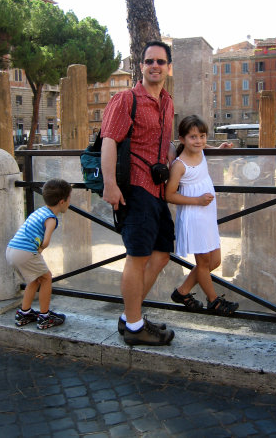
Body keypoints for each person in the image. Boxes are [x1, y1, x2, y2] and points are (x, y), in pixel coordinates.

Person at [101, 40, 175, 346]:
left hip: (158, 190)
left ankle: (130, 316)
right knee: (137, 257)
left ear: (168, 68)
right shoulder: (126, 99)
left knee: (161, 254)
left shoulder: (168, 103)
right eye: (149, 61)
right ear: (141, 66)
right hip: (134, 188)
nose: (154, 66)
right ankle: (134, 326)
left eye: (160, 61)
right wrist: (110, 184)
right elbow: (109, 141)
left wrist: (203, 148)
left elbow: (167, 145)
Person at [165, 115, 239, 315]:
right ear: (182, 139)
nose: (198, 141)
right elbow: (169, 195)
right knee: (204, 263)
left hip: (206, 214)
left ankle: (182, 292)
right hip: (194, 216)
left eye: (202, 136)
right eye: (193, 137)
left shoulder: (201, 151)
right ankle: (214, 301)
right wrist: (197, 201)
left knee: (215, 261)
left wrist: (219, 149)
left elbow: (205, 149)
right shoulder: (180, 165)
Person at [6, 179, 72, 329]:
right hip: (25, 252)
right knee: (47, 277)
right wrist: (41, 249)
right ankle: (45, 316)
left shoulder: (40, 211)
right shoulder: (51, 219)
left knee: (35, 280)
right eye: (69, 199)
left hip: (12, 250)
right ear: (62, 202)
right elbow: (46, 241)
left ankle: (24, 313)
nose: (69, 202)